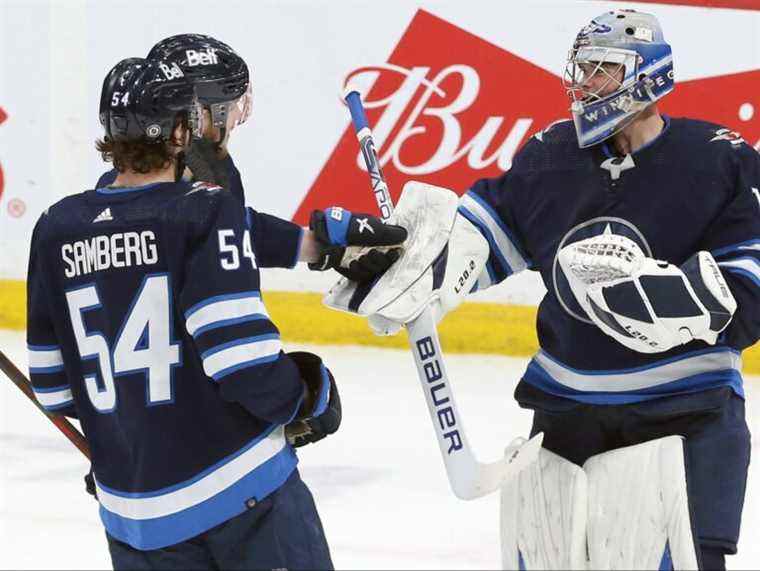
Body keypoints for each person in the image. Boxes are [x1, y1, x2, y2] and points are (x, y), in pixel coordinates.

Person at [356, 8, 757, 570]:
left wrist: (667, 302)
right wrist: (415, 265)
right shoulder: (552, 156)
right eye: (582, 68)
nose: (585, 83)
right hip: (566, 418)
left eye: (602, 70)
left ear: (649, 76)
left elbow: (750, 287)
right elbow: (484, 241)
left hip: (684, 419)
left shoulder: (721, 159)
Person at [26, 57, 406, 570]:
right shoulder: (204, 209)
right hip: (242, 503)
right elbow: (241, 364)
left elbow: (52, 387)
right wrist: (307, 400)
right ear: (182, 129)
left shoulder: (55, 227)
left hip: (131, 520)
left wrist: (136, 438)